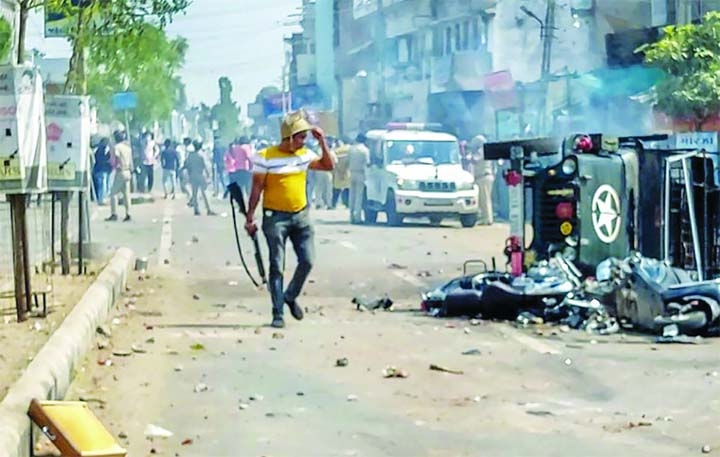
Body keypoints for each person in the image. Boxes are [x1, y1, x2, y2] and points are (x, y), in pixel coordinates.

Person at [245, 111, 334, 328]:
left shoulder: (304, 155)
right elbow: (256, 189)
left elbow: (328, 165)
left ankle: (290, 295)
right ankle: (278, 313)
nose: (303, 141)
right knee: (276, 265)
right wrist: (250, 218)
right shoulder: (265, 157)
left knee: (308, 260)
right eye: (300, 137)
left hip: (301, 216)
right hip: (275, 218)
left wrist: (321, 141)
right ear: (288, 137)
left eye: (305, 137)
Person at [183, 142, 216, 216]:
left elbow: (186, 165)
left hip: (193, 175)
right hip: (201, 175)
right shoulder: (202, 155)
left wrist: (189, 173)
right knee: (205, 192)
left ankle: (196, 210)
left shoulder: (190, 155)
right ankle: (209, 209)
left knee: (194, 193)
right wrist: (209, 176)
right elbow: (206, 166)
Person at [106, 130, 133, 222]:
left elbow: (116, 158)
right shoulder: (128, 148)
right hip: (127, 171)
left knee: (113, 193)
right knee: (126, 194)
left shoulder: (117, 147)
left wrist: (112, 163)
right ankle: (128, 213)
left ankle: (114, 213)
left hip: (120, 171)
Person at [470, 134, 495, 225]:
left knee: (484, 199)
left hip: (483, 177)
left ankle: (487, 219)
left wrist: (468, 157)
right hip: (486, 177)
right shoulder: (486, 150)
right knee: (485, 199)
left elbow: (474, 160)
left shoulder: (481, 150)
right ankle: (486, 218)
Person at [347, 133, 370, 224]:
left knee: (351, 195)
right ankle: (358, 217)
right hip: (360, 173)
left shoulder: (351, 149)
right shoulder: (365, 150)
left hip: (351, 172)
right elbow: (368, 163)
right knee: (358, 197)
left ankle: (351, 216)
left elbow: (348, 160)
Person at [92, 137, 112, 205]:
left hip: (100, 169)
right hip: (103, 169)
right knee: (103, 185)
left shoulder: (96, 148)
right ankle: (102, 200)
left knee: (102, 185)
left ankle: (102, 199)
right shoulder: (105, 149)